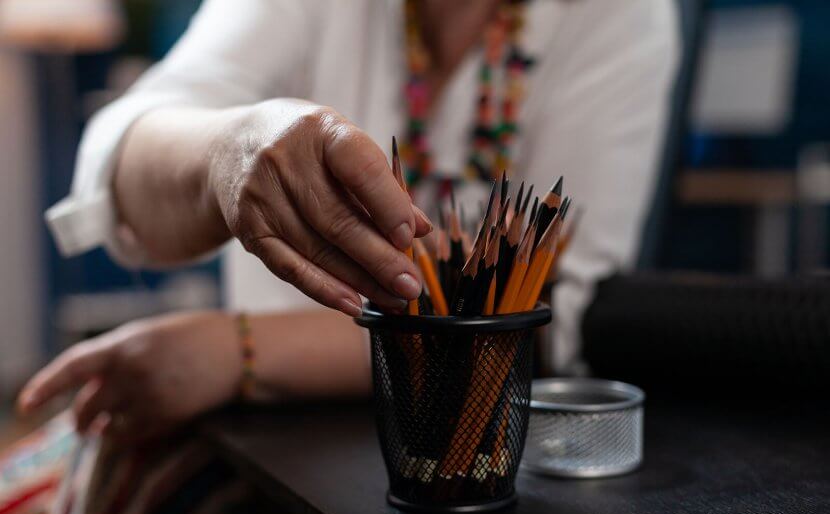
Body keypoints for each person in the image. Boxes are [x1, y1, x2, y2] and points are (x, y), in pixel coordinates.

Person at [21, 0, 678, 442]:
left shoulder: (623, 17)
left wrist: (236, 352)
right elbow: (118, 156)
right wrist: (230, 149)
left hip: (487, 445)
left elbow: (555, 317)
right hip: (273, 443)